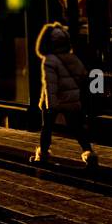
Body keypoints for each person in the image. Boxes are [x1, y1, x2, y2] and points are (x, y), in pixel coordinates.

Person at [33, 22, 98, 169]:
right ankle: (90, 154)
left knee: (47, 129)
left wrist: (50, 105)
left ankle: (42, 155)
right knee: (77, 128)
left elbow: (50, 85)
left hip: (54, 100)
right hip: (72, 100)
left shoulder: (49, 60)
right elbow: (83, 77)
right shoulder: (72, 58)